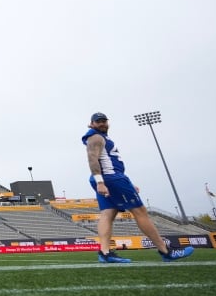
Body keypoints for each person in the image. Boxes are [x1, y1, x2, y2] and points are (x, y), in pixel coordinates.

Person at [82, 112, 194, 263]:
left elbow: (107, 161)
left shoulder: (100, 137)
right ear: (92, 124)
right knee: (140, 211)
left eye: (104, 121)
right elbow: (92, 159)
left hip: (109, 178)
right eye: (98, 121)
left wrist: (124, 182)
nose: (102, 123)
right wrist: (101, 182)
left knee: (108, 213)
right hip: (111, 178)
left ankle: (105, 252)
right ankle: (165, 250)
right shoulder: (96, 137)